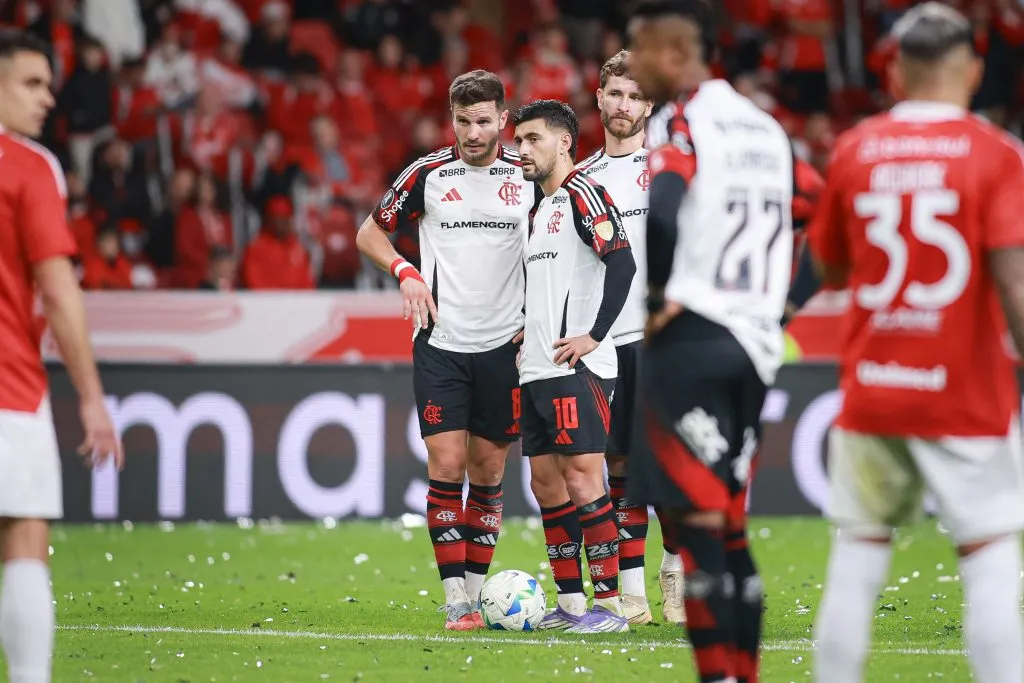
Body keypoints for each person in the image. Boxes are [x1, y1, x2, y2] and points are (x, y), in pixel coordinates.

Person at [806, 5, 1024, 682]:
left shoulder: (855, 148)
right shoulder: (995, 153)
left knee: (857, 556)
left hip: (873, 390)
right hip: (964, 395)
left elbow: (830, 269)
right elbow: (1014, 280)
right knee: (987, 556)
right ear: (975, 71)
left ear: (895, 71)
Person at [627, 1, 807, 680]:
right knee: (731, 524)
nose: (637, 66)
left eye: (640, 51)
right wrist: (781, 307)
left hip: (694, 338)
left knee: (698, 531)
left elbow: (666, 212)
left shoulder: (683, 120)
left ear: (674, 50)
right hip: (754, 347)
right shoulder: (765, 127)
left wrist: (654, 301)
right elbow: (818, 212)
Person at [355, 70, 531, 631]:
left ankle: (479, 597)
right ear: (450, 119)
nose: (472, 132)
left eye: (483, 121)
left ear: (503, 119)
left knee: (488, 472)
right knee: (446, 466)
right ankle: (456, 600)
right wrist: (405, 270)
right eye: (462, 121)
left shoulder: (528, 178)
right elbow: (368, 233)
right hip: (441, 343)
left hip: (506, 346)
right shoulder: (428, 175)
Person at [0, 29, 124, 683]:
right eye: (30, 83)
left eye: (49, 83)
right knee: (22, 535)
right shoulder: (28, 166)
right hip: (9, 388)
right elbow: (58, 290)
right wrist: (91, 395)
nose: (47, 98)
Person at [513, 99, 637, 633]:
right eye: (518, 140)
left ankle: (610, 606)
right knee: (546, 484)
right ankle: (571, 604)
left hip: (577, 367)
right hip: (537, 366)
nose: (521, 150)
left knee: (586, 479)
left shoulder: (583, 193)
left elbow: (623, 261)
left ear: (564, 142)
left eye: (532, 139)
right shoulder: (538, 208)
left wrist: (594, 336)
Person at [575, 49, 684, 626]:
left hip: (660, 340)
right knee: (618, 469)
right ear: (599, 98)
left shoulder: (668, 168)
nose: (623, 106)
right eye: (615, 94)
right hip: (603, 343)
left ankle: (675, 569)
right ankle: (633, 592)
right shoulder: (581, 179)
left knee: (664, 466)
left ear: (649, 105)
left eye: (635, 96)